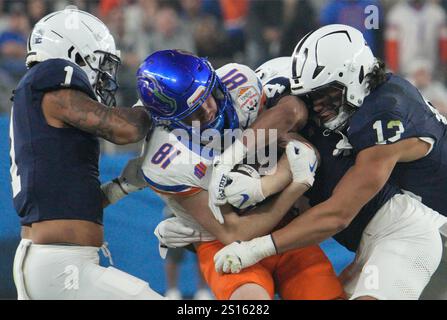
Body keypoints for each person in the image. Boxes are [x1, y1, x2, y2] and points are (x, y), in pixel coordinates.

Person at [211, 25, 447, 300]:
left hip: (427, 229)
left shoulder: (387, 113)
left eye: (324, 93)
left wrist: (255, 249)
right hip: (392, 232)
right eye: (309, 95)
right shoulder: (347, 104)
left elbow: (338, 214)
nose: (316, 105)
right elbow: (291, 112)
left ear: (355, 75)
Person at [102, 49, 344, 300]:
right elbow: (233, 233)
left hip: (283, 227)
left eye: (209, 95)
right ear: (169, 121)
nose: (209, 109)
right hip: (224, 240)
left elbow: (293, 113)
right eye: (193, 112)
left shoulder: (239, 82)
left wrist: (252, 171)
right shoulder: (166, 158)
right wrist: (293, 184)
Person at [10, 8, 163, 300]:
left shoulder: (36, 97)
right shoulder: (51, 74)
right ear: (74, 53)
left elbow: (64, 201)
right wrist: (153, 101)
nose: (105, 75)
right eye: (101, 63)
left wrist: (121, 187)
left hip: (54, 263)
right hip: (63, 267)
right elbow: (125, 130)